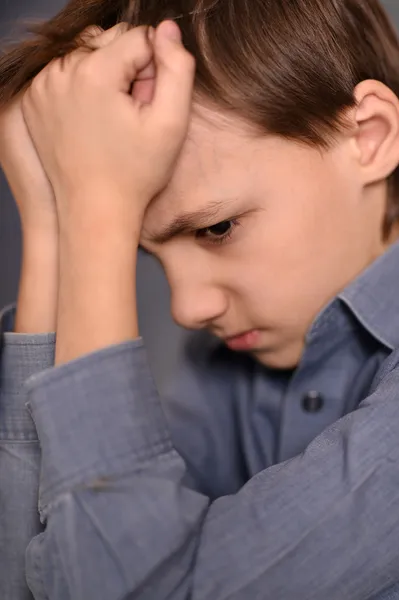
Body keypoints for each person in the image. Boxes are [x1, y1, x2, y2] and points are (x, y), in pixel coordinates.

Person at [3, 0, 399, 598]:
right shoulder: (227, 363)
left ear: (369, 137)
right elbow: (37, 574)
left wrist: (97, 211)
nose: (186, 309)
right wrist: (54, 224)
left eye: (217, 229)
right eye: (145, 254)